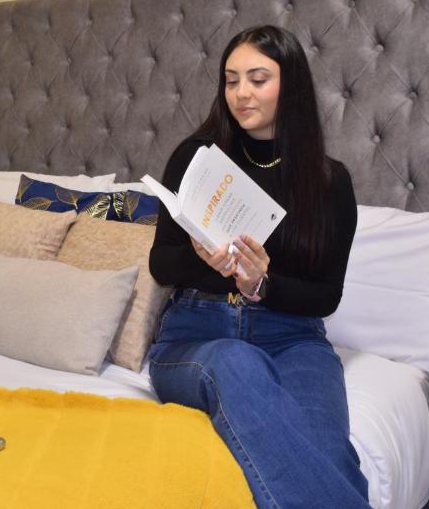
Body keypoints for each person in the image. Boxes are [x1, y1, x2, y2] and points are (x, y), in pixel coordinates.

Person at [147, 25, 368, 508]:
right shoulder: (197, 157)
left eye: (258, 79)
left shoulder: (329, 181)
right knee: (235, 361)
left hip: (292, 338)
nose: (241, 93)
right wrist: (202, 259)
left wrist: (262, 284)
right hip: (194, 336)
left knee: (328, 449)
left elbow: (326, 295)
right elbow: (161, 264)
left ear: (291, 85)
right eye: (231, 80)